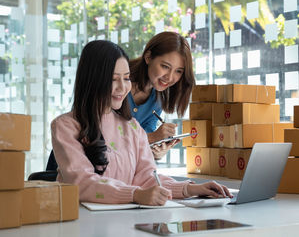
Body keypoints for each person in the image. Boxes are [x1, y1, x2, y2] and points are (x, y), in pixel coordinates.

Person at [51, 40, 231, 204]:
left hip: (125, 223)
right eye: (114, 79)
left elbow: (147, 177)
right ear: (92, 80)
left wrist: (189, 189)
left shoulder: (132, 127)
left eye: (127, 78)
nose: (123, 87)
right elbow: (82, 182)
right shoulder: (65, 126)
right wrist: (135, 195)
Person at [128, 32, 195, 160]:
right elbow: (106, 139)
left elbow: (141, 144)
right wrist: (152, 138)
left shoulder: (157, 100)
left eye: (178, 71)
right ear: (148, 57)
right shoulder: (117, 85)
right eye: (165, 66)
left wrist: (157, 152)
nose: (169, 77)